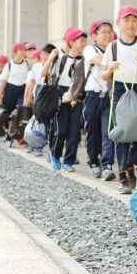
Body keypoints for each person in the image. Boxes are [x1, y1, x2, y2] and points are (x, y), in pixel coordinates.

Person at [101, 5, 137, 193]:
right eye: (126, 20)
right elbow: (104, 76)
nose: (130, 24)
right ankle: (122, 175)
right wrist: (110, 68)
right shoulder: (113, 47)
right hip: (119, 90)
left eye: (134, 20)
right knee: (122, 133)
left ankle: (130, 165)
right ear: (118, 23)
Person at [43, 28, 87, 172]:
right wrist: (50, 58)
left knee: (74, 132)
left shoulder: (84, 60)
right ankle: (55, 155)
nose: (84, 44)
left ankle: (68, 161)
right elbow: (44, 73)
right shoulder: (60, 58)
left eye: (85, 41)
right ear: (71, 42)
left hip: (77, 97)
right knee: (60, 130)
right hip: (60, 95)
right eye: (81, 41)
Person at [83, 19, 116, 180]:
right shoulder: (89, 49)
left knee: (108, 130)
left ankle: (108, 164)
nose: (108, 35)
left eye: (110, 32)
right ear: (94, 36)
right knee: (92, 131)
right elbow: (97, 61)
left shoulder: (114, 49)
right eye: (104, 32)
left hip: (109, 95)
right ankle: (93, 162)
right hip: (92, 95)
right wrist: (112, 63)